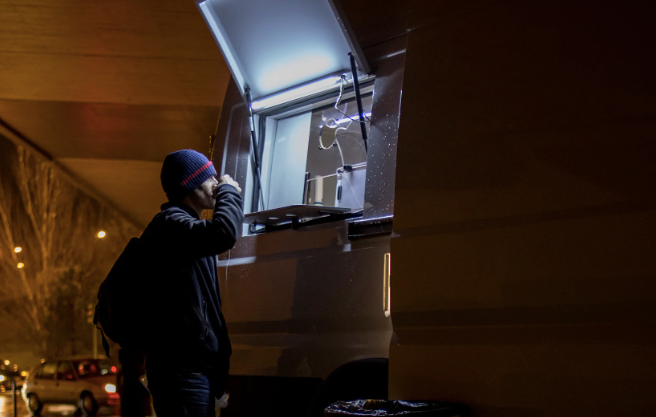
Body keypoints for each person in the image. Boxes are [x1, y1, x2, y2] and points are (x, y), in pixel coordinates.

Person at [140, 149, 243, 417]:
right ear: (189, 184)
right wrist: (229, 192)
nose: (216, 183)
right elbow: (224, 233)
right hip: (180, 373)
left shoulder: (187, 231)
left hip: (192, 372)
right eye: (210, 178)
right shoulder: (170, 225)